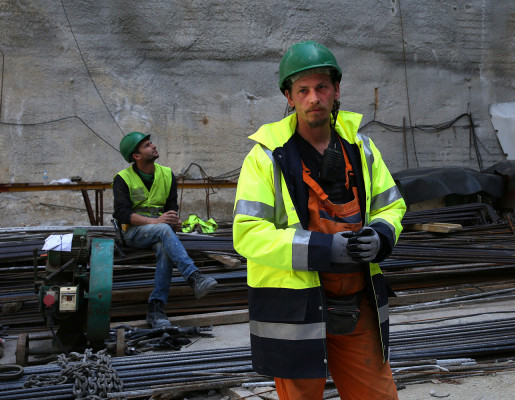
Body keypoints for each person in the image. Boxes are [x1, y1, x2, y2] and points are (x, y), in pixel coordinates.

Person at [233, 41, 406, 399]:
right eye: (303, 90)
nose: (314, 98)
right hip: (295, 311)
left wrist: (382, 234)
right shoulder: (265, 157)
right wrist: (323, 248)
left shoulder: (361, 149)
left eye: (322, 87)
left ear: (336, 90)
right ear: (289, 97)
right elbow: (248, 234)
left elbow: (392, 205)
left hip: (356, 304)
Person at [113, 131, 218, 329]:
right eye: (146, 145)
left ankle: (156, 309)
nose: (153, 146)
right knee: (162, 229)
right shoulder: (123, 179)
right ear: (136, 156)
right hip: (133, 232)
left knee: (164, 248)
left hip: (160, 231)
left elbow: (171, 206)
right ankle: (193, 276)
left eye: (151, 143)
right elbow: (122, 214)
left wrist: (173, 222)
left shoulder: (167, 174)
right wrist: (156, 222)